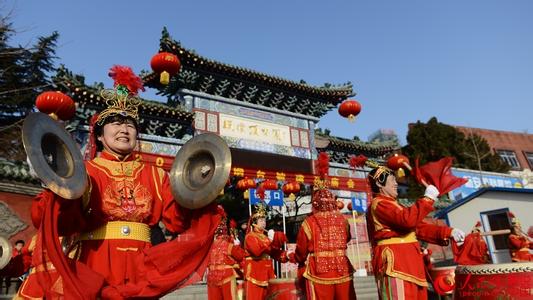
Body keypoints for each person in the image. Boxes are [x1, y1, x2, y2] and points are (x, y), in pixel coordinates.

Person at [18, 66, 220, 299]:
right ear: (100, 136)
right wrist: (52, 182)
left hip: (142, 269)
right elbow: (60, 221)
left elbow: (177, 219)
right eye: (115, 123)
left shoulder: (156, 175)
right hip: (95, 263)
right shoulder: (86, 172)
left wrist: (202, 187)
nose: (124, 129)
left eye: (130, 124)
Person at [366, 165, 465, 300]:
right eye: (392, 180)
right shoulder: (379, 204)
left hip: (411, 264)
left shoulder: (396, 205)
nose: (396, 184)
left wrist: (448, 232)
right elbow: (407, 220)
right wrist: (427, 199)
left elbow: (418, 227)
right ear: (379, 182)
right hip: (396, 264)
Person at [292, 187, 356, 300]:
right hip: (342, 269)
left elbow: (301, 251)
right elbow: (347, 238)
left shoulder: (309, 222)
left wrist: (297, 258)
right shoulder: (343, 220)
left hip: (319, 270)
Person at [243, 205, 287, 300]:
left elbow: (273, 253)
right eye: (261, 221)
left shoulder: (266, 237)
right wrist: (269, 241)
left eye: (264, 220)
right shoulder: (250, 237)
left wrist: (286, 255)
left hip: (267, 272)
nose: (264, 223)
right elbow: (256, 252)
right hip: (255, 272)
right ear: (254, 223)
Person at [207, 207, 247, 300]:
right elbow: (241, 256)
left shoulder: (209, 247)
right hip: (226, 276)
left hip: (212, 276)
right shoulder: (228, 245)